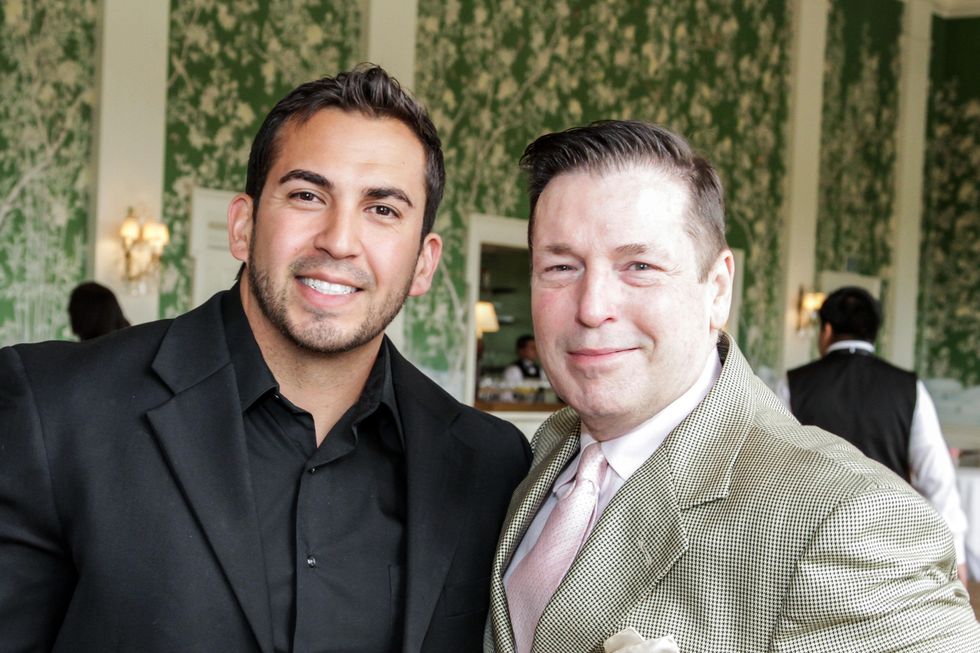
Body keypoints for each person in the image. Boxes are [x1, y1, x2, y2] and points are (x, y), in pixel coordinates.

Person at [0, 65, 531, 653]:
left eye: (382, 210)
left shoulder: (490, 464)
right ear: (243, 225)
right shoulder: (51, 410)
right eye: (307, 195)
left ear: (424, 264)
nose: (339, 240)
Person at [486, 120, 979, 653]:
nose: (592, 307)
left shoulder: (850, 517)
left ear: (717, 289)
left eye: (640, 266)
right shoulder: (539, 453)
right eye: (560, 266)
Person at [783, 285, 968, 582]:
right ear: (873, 332)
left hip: (814, 548)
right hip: (890, 546)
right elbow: (936, 476)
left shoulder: (794, 384)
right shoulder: (909, 388)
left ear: (826, 330)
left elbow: (779, 466)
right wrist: (955, 551)